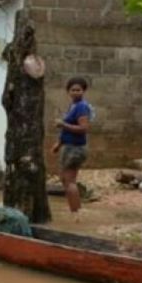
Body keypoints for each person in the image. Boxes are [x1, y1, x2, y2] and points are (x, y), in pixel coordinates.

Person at [51, 77, 93, 218]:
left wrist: (63, 124)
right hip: (68, 146)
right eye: (73, 90)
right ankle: (74, 210)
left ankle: (77, 213)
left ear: (83, 91)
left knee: (70, 181)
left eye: (78, 90)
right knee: (65, 179)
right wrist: (59, 143)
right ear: (68, 91)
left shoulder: (81, 106)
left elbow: (83, 128)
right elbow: (67, 130)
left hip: (75, 149)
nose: (75, 92)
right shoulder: (73, 105)